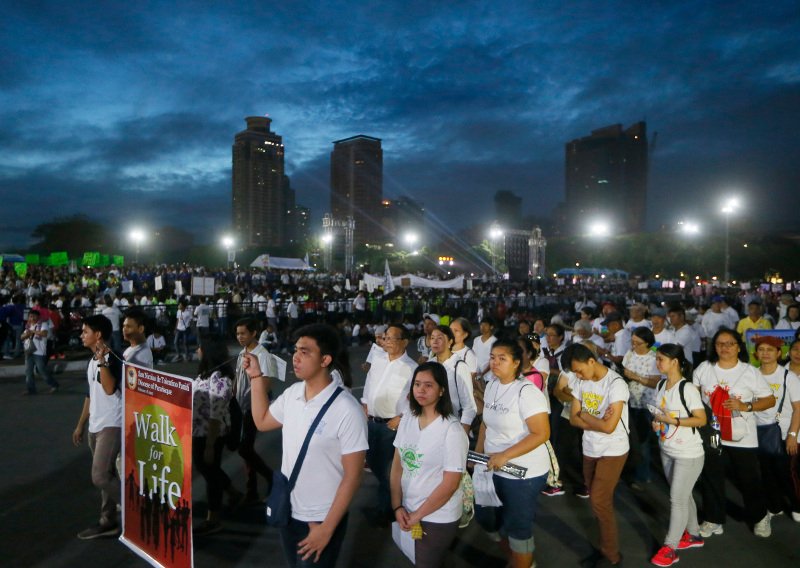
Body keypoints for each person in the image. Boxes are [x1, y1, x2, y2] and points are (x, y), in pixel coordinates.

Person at [244, 324, 368, 567]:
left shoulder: (347, 410)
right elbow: (262, 421)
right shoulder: (293, 394)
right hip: (289, 509)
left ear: (325, 360)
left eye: (305, 352)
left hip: (322, 518)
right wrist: (256, 377)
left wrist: (327, 528)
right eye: (295, 350)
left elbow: (353, 476)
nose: (296, 357)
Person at [693, 328, 775, 538]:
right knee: (712, 476)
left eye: (730, 343)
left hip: (742, 436)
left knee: (749, 478)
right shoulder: (704, 368)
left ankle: (759, 517)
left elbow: (769, 400)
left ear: (739, 347)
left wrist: (745, 406)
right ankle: (713, 519)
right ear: (714, 347)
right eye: (720, 343)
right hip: (713, 433)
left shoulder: (749, 371)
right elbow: (693, 395)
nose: (725, 347)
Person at [475, 339, 551, 568]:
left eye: (502, 358)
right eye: (492, 357)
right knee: (488, 518)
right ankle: (516, 559)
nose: (495, 363)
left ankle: (523, 561)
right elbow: (486, 423)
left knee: (518, 527)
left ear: (516, 362)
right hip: (492, 466)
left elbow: (541, 433)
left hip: (523, 473)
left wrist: (505, 455)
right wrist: (478, 454)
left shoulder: (527, 392)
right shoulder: (492, 385)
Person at [390, 361, 468, 568]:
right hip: (408, 507)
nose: (421, 390)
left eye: (428, 385)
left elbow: (450, 484)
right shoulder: (408, 418)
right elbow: (397, 466)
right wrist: (397, 505)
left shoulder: (452, 430)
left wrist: (417, 515)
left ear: (442, 390)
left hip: (437, 516)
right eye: (417, 384)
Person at [567, 343, 630, 567]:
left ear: (591, 361)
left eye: (579, 370)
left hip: (613, 449)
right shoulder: (580, 381)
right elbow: (573, 419)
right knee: (598, 502)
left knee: (599, 501)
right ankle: (604, 548)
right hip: (590, 447)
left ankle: (612, 556)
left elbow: (609, 428)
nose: (577, 375)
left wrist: (585, 415)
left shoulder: (616, 384)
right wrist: (595, 420)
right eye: (574, 372)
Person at [649, 344, 707, 567]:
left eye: (661, 359)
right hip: (667, 449)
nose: (657, 363)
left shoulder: (688, 388)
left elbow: (701, 419)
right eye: (657, 358)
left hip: (688, 453)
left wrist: (672, 421)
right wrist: (657, 423)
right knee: (684, 495)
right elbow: (660, 413)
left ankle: (670, 547)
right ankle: (693, 535)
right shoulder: (661, 384)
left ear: (674, 362)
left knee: (677, 499)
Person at [72, 314, 123, 540]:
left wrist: (103, 361)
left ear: (98, 334)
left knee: (100, 476)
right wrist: (81, 425)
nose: (81, 335)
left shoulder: (113, 358)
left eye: (85, 331)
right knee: (107, 475)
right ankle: (108, 520)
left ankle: (140, 510)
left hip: (112, 423)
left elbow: (110, 389)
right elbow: (90, 394)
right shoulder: (92, 360)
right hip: (95, 424)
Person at [361, 323, 417, 522]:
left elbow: (416, 399)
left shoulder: (412, 368)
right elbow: (369, 384)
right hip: (371, 422)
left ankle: (387, 511)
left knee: (388, 470)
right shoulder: (378, 360)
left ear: (404, 342)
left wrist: (402, 417)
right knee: (373, 462)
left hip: (391, 427)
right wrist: (365, 404)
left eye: (392, 338)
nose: (387, 342)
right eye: (385, 338)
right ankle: (391, 502)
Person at [192, 339, 240, 535]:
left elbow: (215, 416)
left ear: (208, 351)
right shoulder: (205, 374)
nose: (197, 350)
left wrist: (210, 445)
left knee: (210, 473)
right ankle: (233, 493)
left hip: (210, 434)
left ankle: (213, 518)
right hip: (199, 431)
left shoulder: (219, 379)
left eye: (200, 347)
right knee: (209, 469)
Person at [753, 336, 800, 521]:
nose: (765, 353)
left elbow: (798, 409)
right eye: (761, 349)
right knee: (766, 472)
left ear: (779, 353)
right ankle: (775, 505)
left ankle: (797, 505)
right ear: (756, 353)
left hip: (784, 431)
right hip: (760, 432)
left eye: (770, 350)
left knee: (787, 473)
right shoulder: (751, 375)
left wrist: (792, 435)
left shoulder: (788, 377)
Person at [234, 317, 279, 503]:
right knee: (246, 448)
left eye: (243, 333)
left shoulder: (263, 355)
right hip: (241, 406)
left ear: (253, 333)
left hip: (253, 407)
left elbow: (266, 383)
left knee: (244, 448)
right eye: (237, 334)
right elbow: (237, 379)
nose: (240, 337)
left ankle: (271, 478)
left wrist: (255, 404)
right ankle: (251, 490)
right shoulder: (241, 353)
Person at [622, 327, 660, 488]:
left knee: (644, 441)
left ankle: (643, 475)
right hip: (630, 401)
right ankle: (632, 472)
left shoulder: (654, 358)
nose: (634, 346)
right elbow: (624, 372)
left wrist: (635, 377)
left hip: (647, 404)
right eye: (633, 342)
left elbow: (655, 382)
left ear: (648, 343)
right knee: (633, 440)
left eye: (638, 343)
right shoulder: (630, 354)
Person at [429, 325, 476, 433]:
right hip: (430, 423)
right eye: (432, 338)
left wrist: (462, 434)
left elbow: (469, 406)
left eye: (439, 338)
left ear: (450, 342)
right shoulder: (429, 364)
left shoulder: (459, 366)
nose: (435, 341)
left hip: (452, 426)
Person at [21, 309, 59, 395]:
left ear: (38, 317)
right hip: (29, 352)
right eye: (31, 316)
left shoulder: (43, 324)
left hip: (39, 352)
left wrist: (33, 332)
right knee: (28, 372)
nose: (32, 318)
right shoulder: (28, 326)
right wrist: (26, 335)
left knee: (42, 370)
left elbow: (44, 334)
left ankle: (54, 384)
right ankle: (31, 389)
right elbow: (21, 337)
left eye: (34, 316)